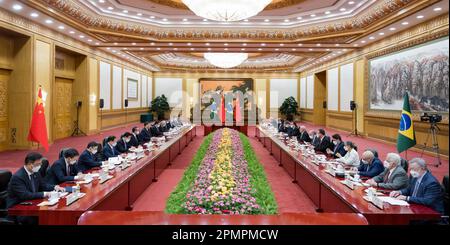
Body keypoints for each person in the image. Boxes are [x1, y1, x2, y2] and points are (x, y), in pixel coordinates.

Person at [6, 153, 66, 224]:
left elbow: (43, 185)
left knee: (52, 211)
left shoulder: (36, 173)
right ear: (30, 164)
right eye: (38, 164)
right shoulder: (18, 177)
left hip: (32, 203)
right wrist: (45, 194)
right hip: (18, 208)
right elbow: (25, 195)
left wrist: (55, 187)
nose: (40, 166)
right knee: (40, 217)